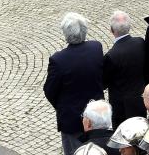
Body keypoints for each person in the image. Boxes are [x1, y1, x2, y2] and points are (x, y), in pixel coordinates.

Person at [44, 12, 105, 155]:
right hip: (97, 114)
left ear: (65, 34)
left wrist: (62, 106)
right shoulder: (96, 48)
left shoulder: (58, 60)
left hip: (72, 120)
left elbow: (50, 91)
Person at [103, 11, 147, 128]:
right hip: (140, 99)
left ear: (112, 30)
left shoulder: (111, 56)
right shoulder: (140, 42)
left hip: (121, 106)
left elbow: (103, 82)